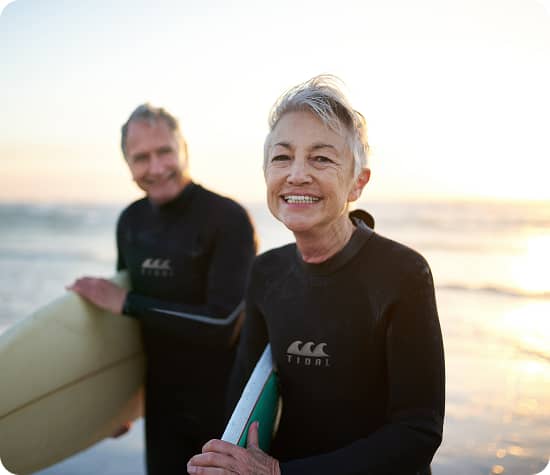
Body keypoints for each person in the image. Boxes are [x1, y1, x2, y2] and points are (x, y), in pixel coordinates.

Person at [187, 75, 445, 475]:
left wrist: (277, 473)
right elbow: (245, 398)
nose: (297, 174)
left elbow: (417, 433)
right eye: (282, 157)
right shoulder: (266, 272)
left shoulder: (403, 274)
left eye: (321, 158)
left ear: (358, 183)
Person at [68, 104, 257, 474]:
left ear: (183, 148)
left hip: (225, 414)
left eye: (164, 152)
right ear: (127, 164)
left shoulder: (227, 219)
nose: (155, 168)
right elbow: (129, 331)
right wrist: (118, 404)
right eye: (141, 158)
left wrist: (126, 301)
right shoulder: (131, 222)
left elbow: (223, 325)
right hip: (162, 414)